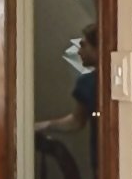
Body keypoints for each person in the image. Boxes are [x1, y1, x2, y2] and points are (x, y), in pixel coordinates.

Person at [36, 22, 100, 152]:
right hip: (100, 158)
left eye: (83, 45)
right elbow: (77, 121)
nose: (79, 51)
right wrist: (45, 125)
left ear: (98, 47)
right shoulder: (86, 82)